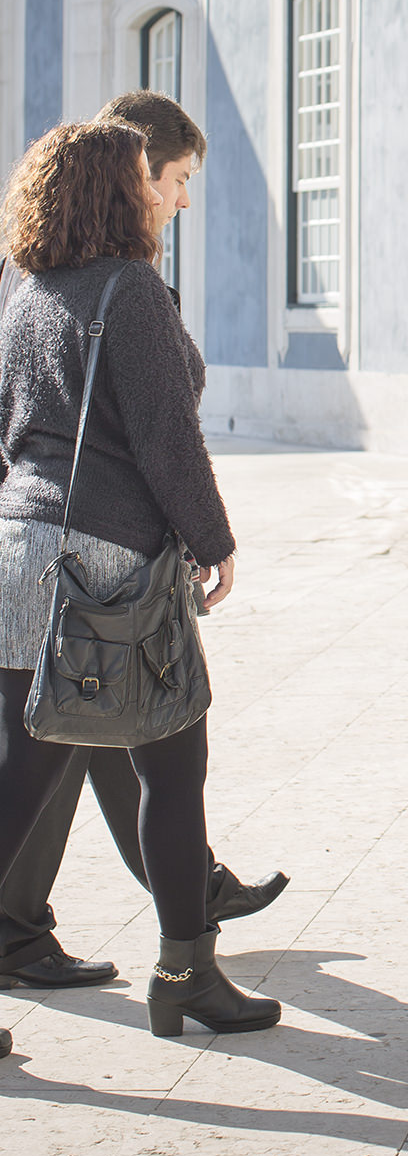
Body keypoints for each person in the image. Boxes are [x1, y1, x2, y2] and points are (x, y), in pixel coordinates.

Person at [0, 119, 280, 1050]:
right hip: (110, 562)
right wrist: (213, 539)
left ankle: (189, 976)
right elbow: (166, 436)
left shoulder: (26, 288)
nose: (172, 196)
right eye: (158, 181)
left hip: (20, 549)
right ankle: (186, 977)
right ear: (119, 191)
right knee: (174, 767)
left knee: (20, 777)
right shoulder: (131, 290)